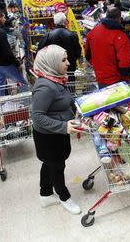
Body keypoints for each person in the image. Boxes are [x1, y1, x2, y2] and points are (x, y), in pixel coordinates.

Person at [31, 44, 82, 214]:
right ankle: (64, 197)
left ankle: (45, 194)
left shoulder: (56, 78)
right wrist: (63, 126)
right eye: (63, 60)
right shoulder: (45, 87)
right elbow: (37, 116)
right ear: (51, 62)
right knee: (56, 166)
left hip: (57, 133)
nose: (68, 63)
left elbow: (63, 101)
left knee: (50, 163)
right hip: (49, 136)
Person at [85, 7, 130, 87]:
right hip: (116, 80)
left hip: (100, 77)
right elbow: (125, 63)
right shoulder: (120, 36)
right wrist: (126, 79)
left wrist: (99, 67)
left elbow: (87, 54)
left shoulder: (94, 31)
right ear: (119, 19)